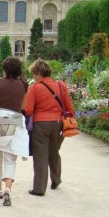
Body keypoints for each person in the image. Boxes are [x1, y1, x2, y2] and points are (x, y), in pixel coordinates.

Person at [23, 58, 75, 196]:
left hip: (40, 124)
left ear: (39, 73)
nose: (33, 76)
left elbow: (28, 110)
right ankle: (56, 179)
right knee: (54, 151)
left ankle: (39, 188)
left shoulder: (35, 88)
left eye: (34, 73)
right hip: (58, 124)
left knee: (40, 156)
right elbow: (70, 108)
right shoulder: (60, 86)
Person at [0, 56, 29, 207]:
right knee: (10, 160)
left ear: (4, 69)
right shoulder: (23, 85)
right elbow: (23, 105)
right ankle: (8, 188)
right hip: (14, 123)